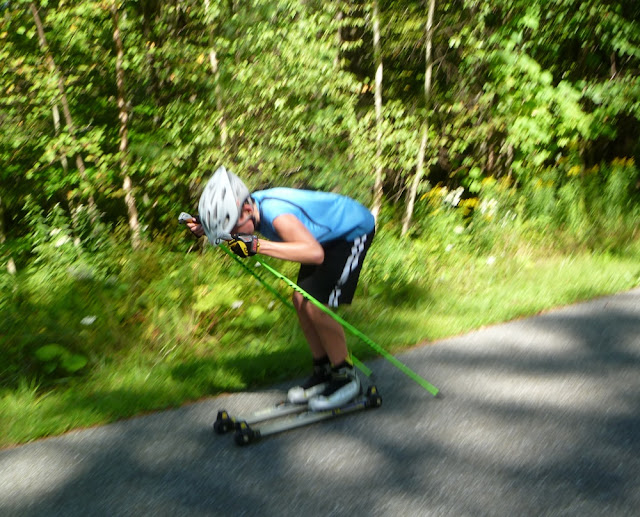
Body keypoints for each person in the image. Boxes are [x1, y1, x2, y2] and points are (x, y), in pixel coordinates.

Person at [186, 166, 375, 411]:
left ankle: (345, 377)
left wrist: (257, 246)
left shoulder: (277, 216)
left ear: (247, 210)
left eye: (232, 229)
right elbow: (239, 226)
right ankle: (323, 371)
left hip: (351, 232)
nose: (231, 236)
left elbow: (314, 254)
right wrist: (208, 226)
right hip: (324, 237)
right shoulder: (250, 209)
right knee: (300, 300)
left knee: (317, 307)